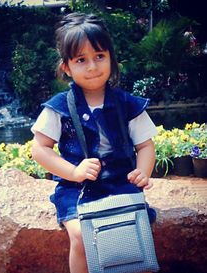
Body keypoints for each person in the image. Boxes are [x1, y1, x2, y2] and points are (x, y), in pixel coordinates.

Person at [31, 12, 157, 273]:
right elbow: (39, 149)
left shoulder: (127, 104)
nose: (92, 67)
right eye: (81, 60)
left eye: (99, 56)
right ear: (67, 67)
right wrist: (74, 172)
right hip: (77, 189)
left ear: (111, 57)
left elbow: (145, 145)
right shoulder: (60, 108)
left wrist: (143, 171)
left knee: (133, 226)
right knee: (80, 235)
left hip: (120, 183)